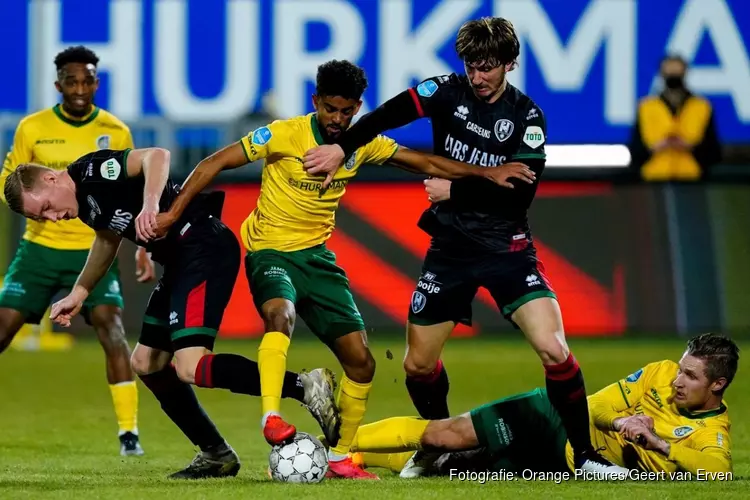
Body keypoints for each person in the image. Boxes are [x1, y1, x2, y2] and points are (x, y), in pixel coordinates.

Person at [150, 59, 536, 480]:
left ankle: (339, 457)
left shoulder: (361, 143)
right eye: (331, 109)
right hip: (271, 252)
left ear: (357, 108)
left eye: (348, 111)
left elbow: (426, 163)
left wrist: (488, 172)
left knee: (362, 364)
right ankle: (271, 419)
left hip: (317, 258)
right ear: (315, 101)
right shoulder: (284, 134)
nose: (338, 120)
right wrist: (170, 215)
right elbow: (213, 163)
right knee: (280, 315)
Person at [302, 17, 626, 476]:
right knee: (417, 366)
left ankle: (587, 457)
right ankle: (440, 444)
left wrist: (454, 190)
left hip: (506, 250)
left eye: (488, 67)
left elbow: (521, 194)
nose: (478, 77)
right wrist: (343, 148)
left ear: (510, 64)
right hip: (450, 250)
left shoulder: (527, 117)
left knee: (555, 351)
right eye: (472, 66)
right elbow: (384, 117)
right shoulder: (444, 92)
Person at [2, 147, 340, 479]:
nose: (52, 217)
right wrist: (80, 291)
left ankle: (305, 386)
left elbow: (157, 156)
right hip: (179, 261)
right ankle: (216, 453)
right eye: (39, 218)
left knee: (190, 366)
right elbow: (107, 239)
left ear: (50, 178)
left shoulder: (93, 170)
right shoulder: (85, 206)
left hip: (203, 247)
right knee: (146, 363)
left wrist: (150, 206)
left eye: (46, 207)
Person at [0, 45, 151, 456]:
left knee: (112, 328)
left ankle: (129, 435)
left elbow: (133, 190)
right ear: (58, 85)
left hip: (93, 249)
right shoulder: (32, 128)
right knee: (2, 329)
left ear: (96, 83)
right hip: (40, 250)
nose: (80, 88)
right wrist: (39, 211)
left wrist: (142, 247)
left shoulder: (116, 130)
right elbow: (8, 183)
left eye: (87, 80)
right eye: (72, 81)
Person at [347, 333, 737, 480]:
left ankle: (360, 457)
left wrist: (658, 443)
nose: (676, 381)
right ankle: (338, 444)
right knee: (447, 434)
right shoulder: (659, 374)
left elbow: (719, 470)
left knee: (456, 466)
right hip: (552, 420)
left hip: (561, 466)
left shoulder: (711, 432)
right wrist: (620, 420)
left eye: (690, 377)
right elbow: (592, 405)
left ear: (717, 385)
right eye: (681, 369)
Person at [628, 54, 722, 181]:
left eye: (677, 72)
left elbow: (713, 151)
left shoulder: (701, 106)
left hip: (692, 178)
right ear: (661, 74)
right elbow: (635, 150)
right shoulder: (646, 107)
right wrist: (656, 148)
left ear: (685, 73)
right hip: (653, 178)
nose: (673, 76)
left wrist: (690, 147)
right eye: (669, 71)